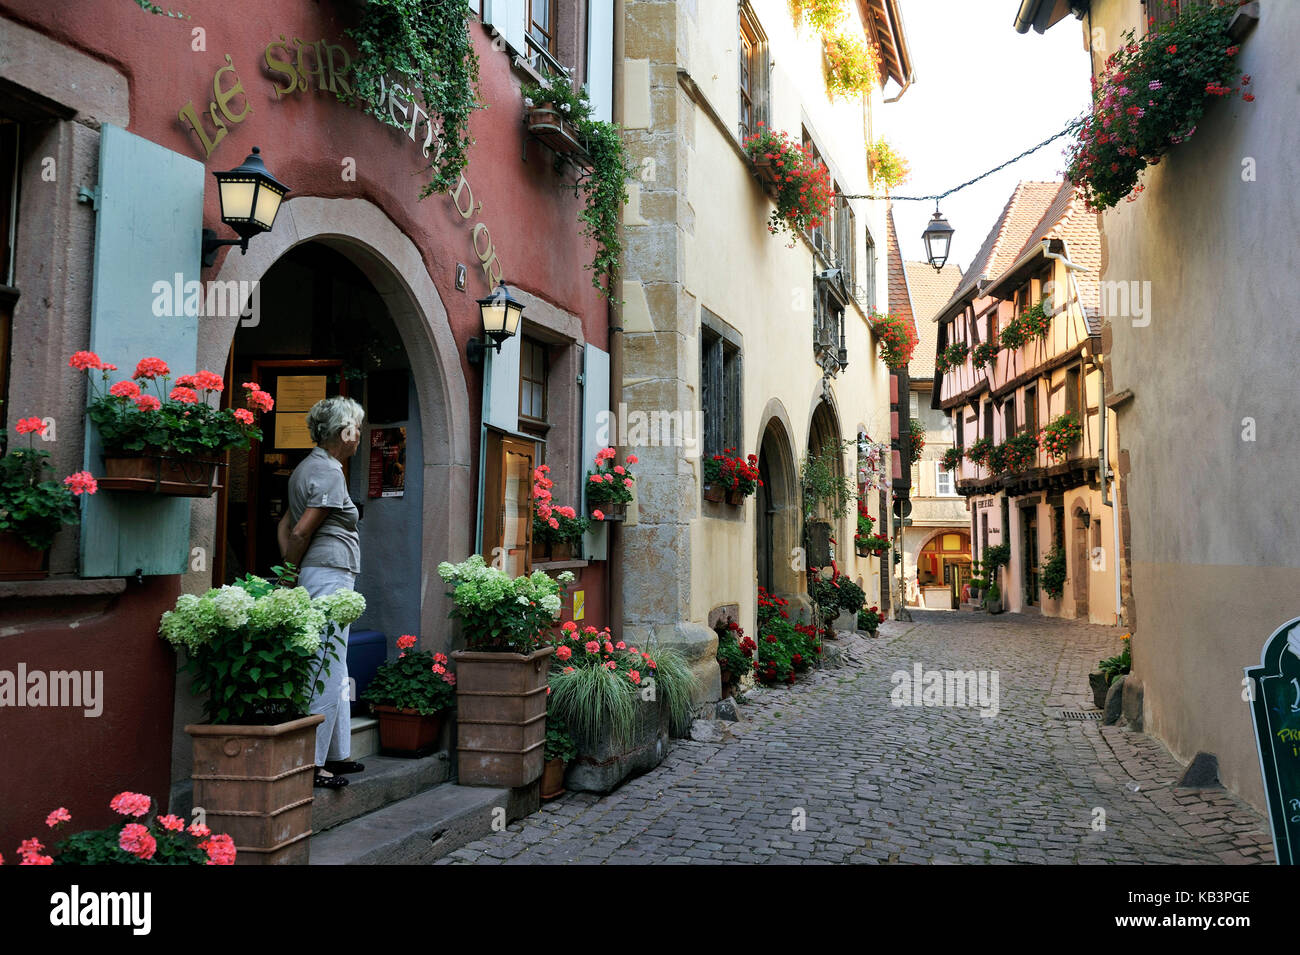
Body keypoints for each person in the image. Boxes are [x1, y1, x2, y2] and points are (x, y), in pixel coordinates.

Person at [278, 396, 366, 790]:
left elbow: (285, 524)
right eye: (355, 427)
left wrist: (290, 568)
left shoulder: (308, 468)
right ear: (341, 433)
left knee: (336, 659)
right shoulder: (330, 472)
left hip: (321, 569)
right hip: (329, 572)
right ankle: (312, 764)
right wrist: (289, 571)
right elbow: (299, 530)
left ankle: (336, 752)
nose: (359, 435)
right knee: (325, 662)